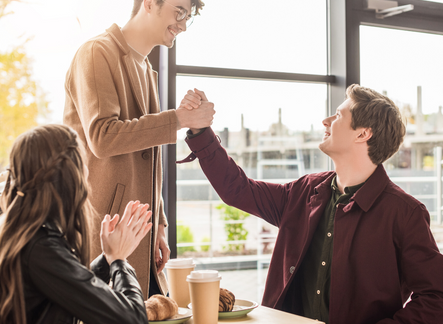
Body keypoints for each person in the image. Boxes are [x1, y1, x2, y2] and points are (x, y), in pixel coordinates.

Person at [178, 85, 443, 324]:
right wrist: (201, 131)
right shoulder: (304, 191)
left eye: (338, 116)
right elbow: (237, 189)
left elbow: (436, 297)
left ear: (363, 134)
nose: (326, 121)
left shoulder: (405, 214)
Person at [63, 0, 214, 299]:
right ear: (148, 3)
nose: (183, 25)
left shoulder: (145, 67)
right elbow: (104, 136)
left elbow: (148, 156)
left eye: (187, 17)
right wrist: (179, 119)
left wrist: (158, 224)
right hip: (101, 228)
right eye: (179, 12)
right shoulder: (97, 52)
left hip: (135, 231)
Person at [0, 124, 152, 324]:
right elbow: (133, 319)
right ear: (71, 178)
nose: (87, 172)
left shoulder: (13, 232)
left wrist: (108, 258)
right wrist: (119, 262)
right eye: (83, 163)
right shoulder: (39, 247)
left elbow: (65, 284)